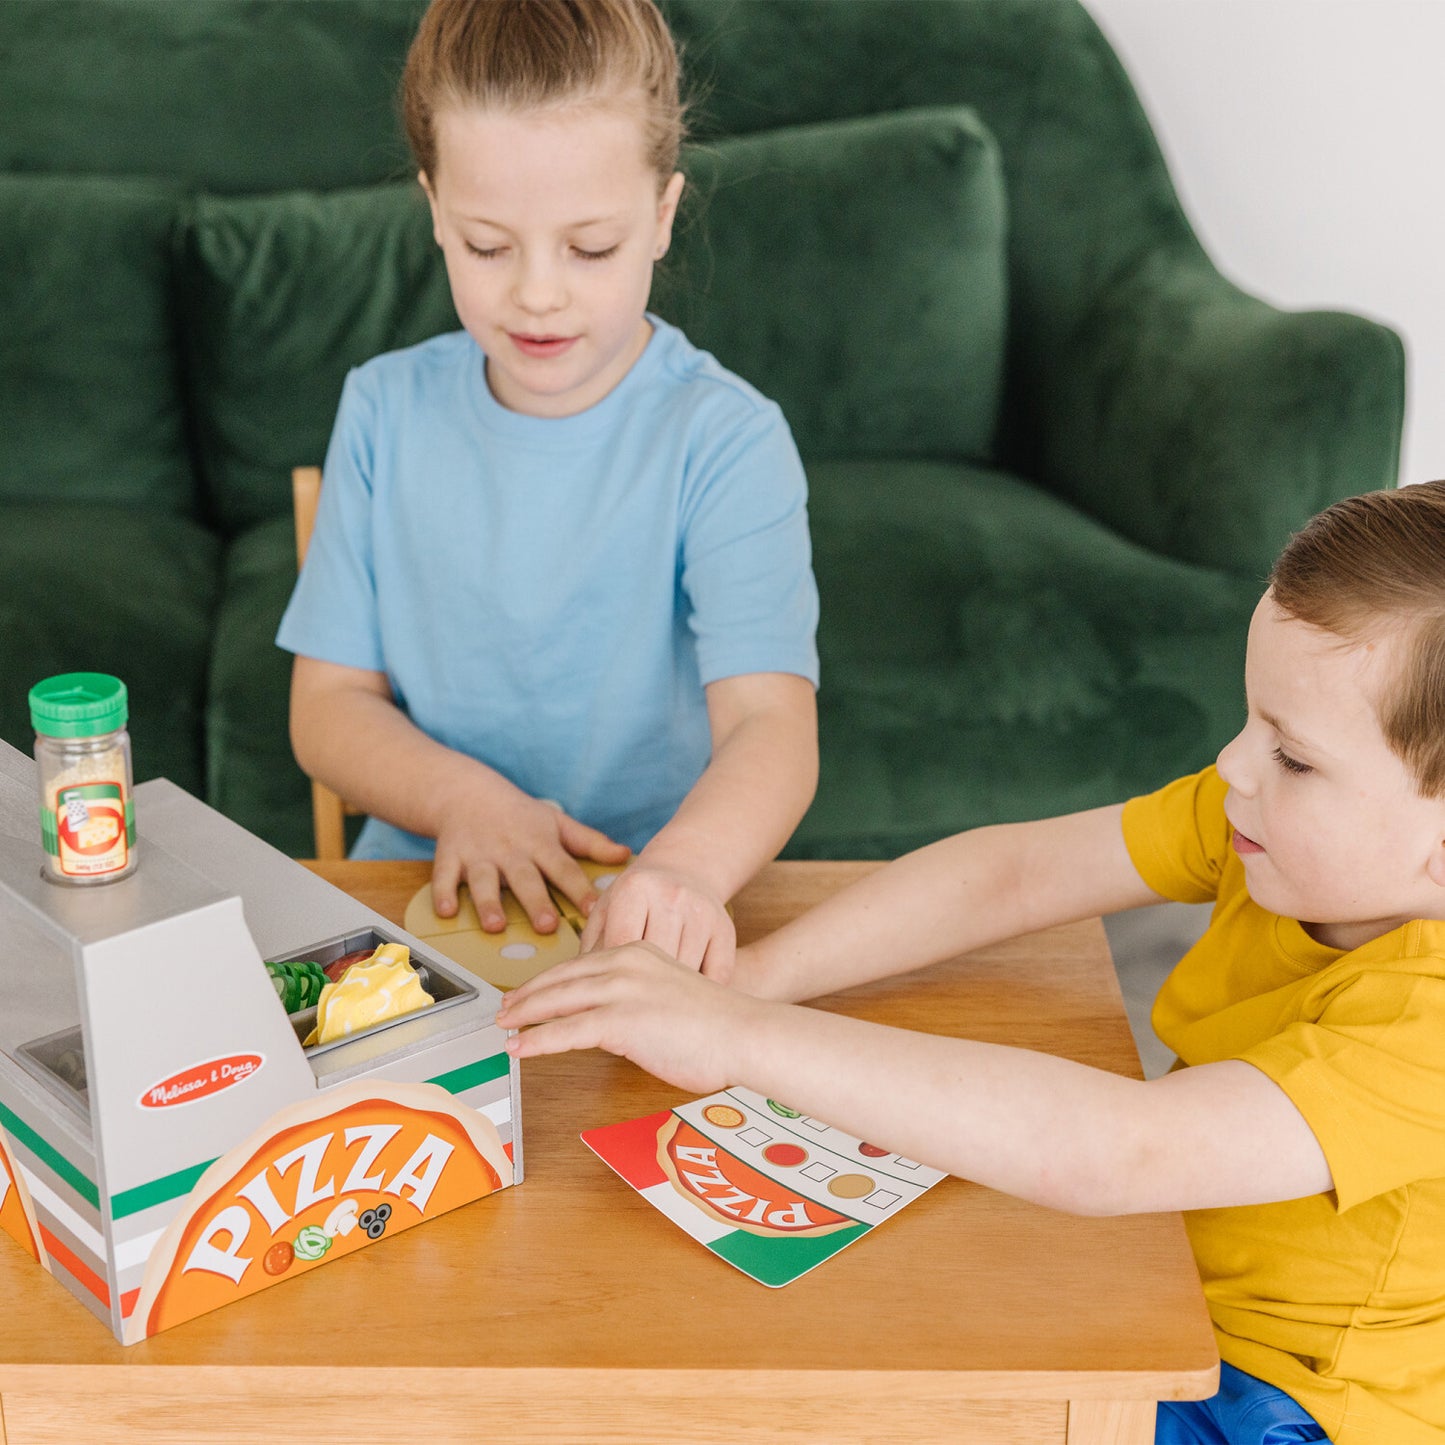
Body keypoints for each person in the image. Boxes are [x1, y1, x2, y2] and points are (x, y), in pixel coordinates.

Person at [498, 479, 1445, 1445]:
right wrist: (754, 978)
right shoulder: (1270, 829)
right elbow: (1010, 873)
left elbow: (1118, 1150)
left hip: (1281, 1401)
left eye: (1292, 757)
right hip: (1160, 1278)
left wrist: (738, 1034)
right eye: (1250, 719)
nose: (1233, 765)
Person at [277, 0, 819, 978]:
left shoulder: (725, 438)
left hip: (645, 908)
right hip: (415, 901)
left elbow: (769, 724)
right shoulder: (382, 410)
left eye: (590, 247)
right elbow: (326, 705)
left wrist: (684, 874)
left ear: (660, 216)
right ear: (435, 206)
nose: (536, 293)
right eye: (488, 245)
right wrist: (465, 803)